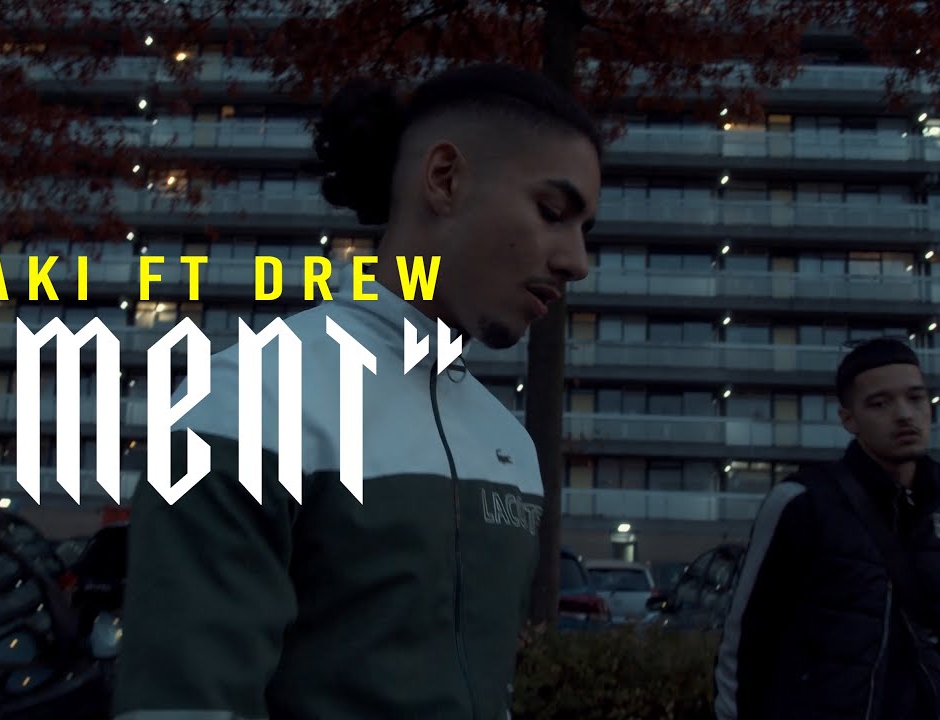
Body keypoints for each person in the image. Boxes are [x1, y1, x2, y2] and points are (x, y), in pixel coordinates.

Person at [112, 62, 602, 719]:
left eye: (583, 230)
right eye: (552, 213)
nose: (577, 261)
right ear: (445, 178)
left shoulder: (507, 443)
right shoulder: (249, 399)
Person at [715, 337, 940, 720]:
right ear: (848, 419)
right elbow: (746, 640)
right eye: (880, 403)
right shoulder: (802, 502)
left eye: (916, 398)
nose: (905, 415)